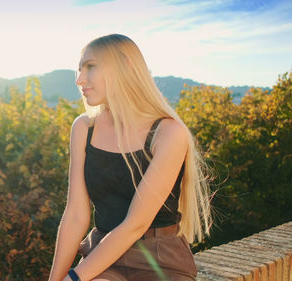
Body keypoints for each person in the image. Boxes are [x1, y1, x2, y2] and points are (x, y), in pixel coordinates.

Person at [48, 34, 212, 281]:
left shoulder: (168, 133)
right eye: (79, 69)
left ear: (124, 66)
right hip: (102, 259)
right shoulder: (84, 128)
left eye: (90, 66)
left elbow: (136, 223)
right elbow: (75, 215)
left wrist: (74, 279)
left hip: (160, 262)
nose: (79, 79)